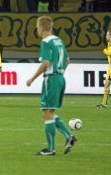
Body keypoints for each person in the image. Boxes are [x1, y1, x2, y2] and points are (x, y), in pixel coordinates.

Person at [26, 16, 76, 156]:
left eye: (37, 26)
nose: (37, 29)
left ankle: (51, 149)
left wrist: (32, 78)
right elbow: (67, 61)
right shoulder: (59, 41)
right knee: (49, 113)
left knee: (46, 113)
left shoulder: (46, 42)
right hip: (60, 78)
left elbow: (45, 63)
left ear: (41, 27)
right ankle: (68, 137)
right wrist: (59, 73)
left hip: (51, 79)